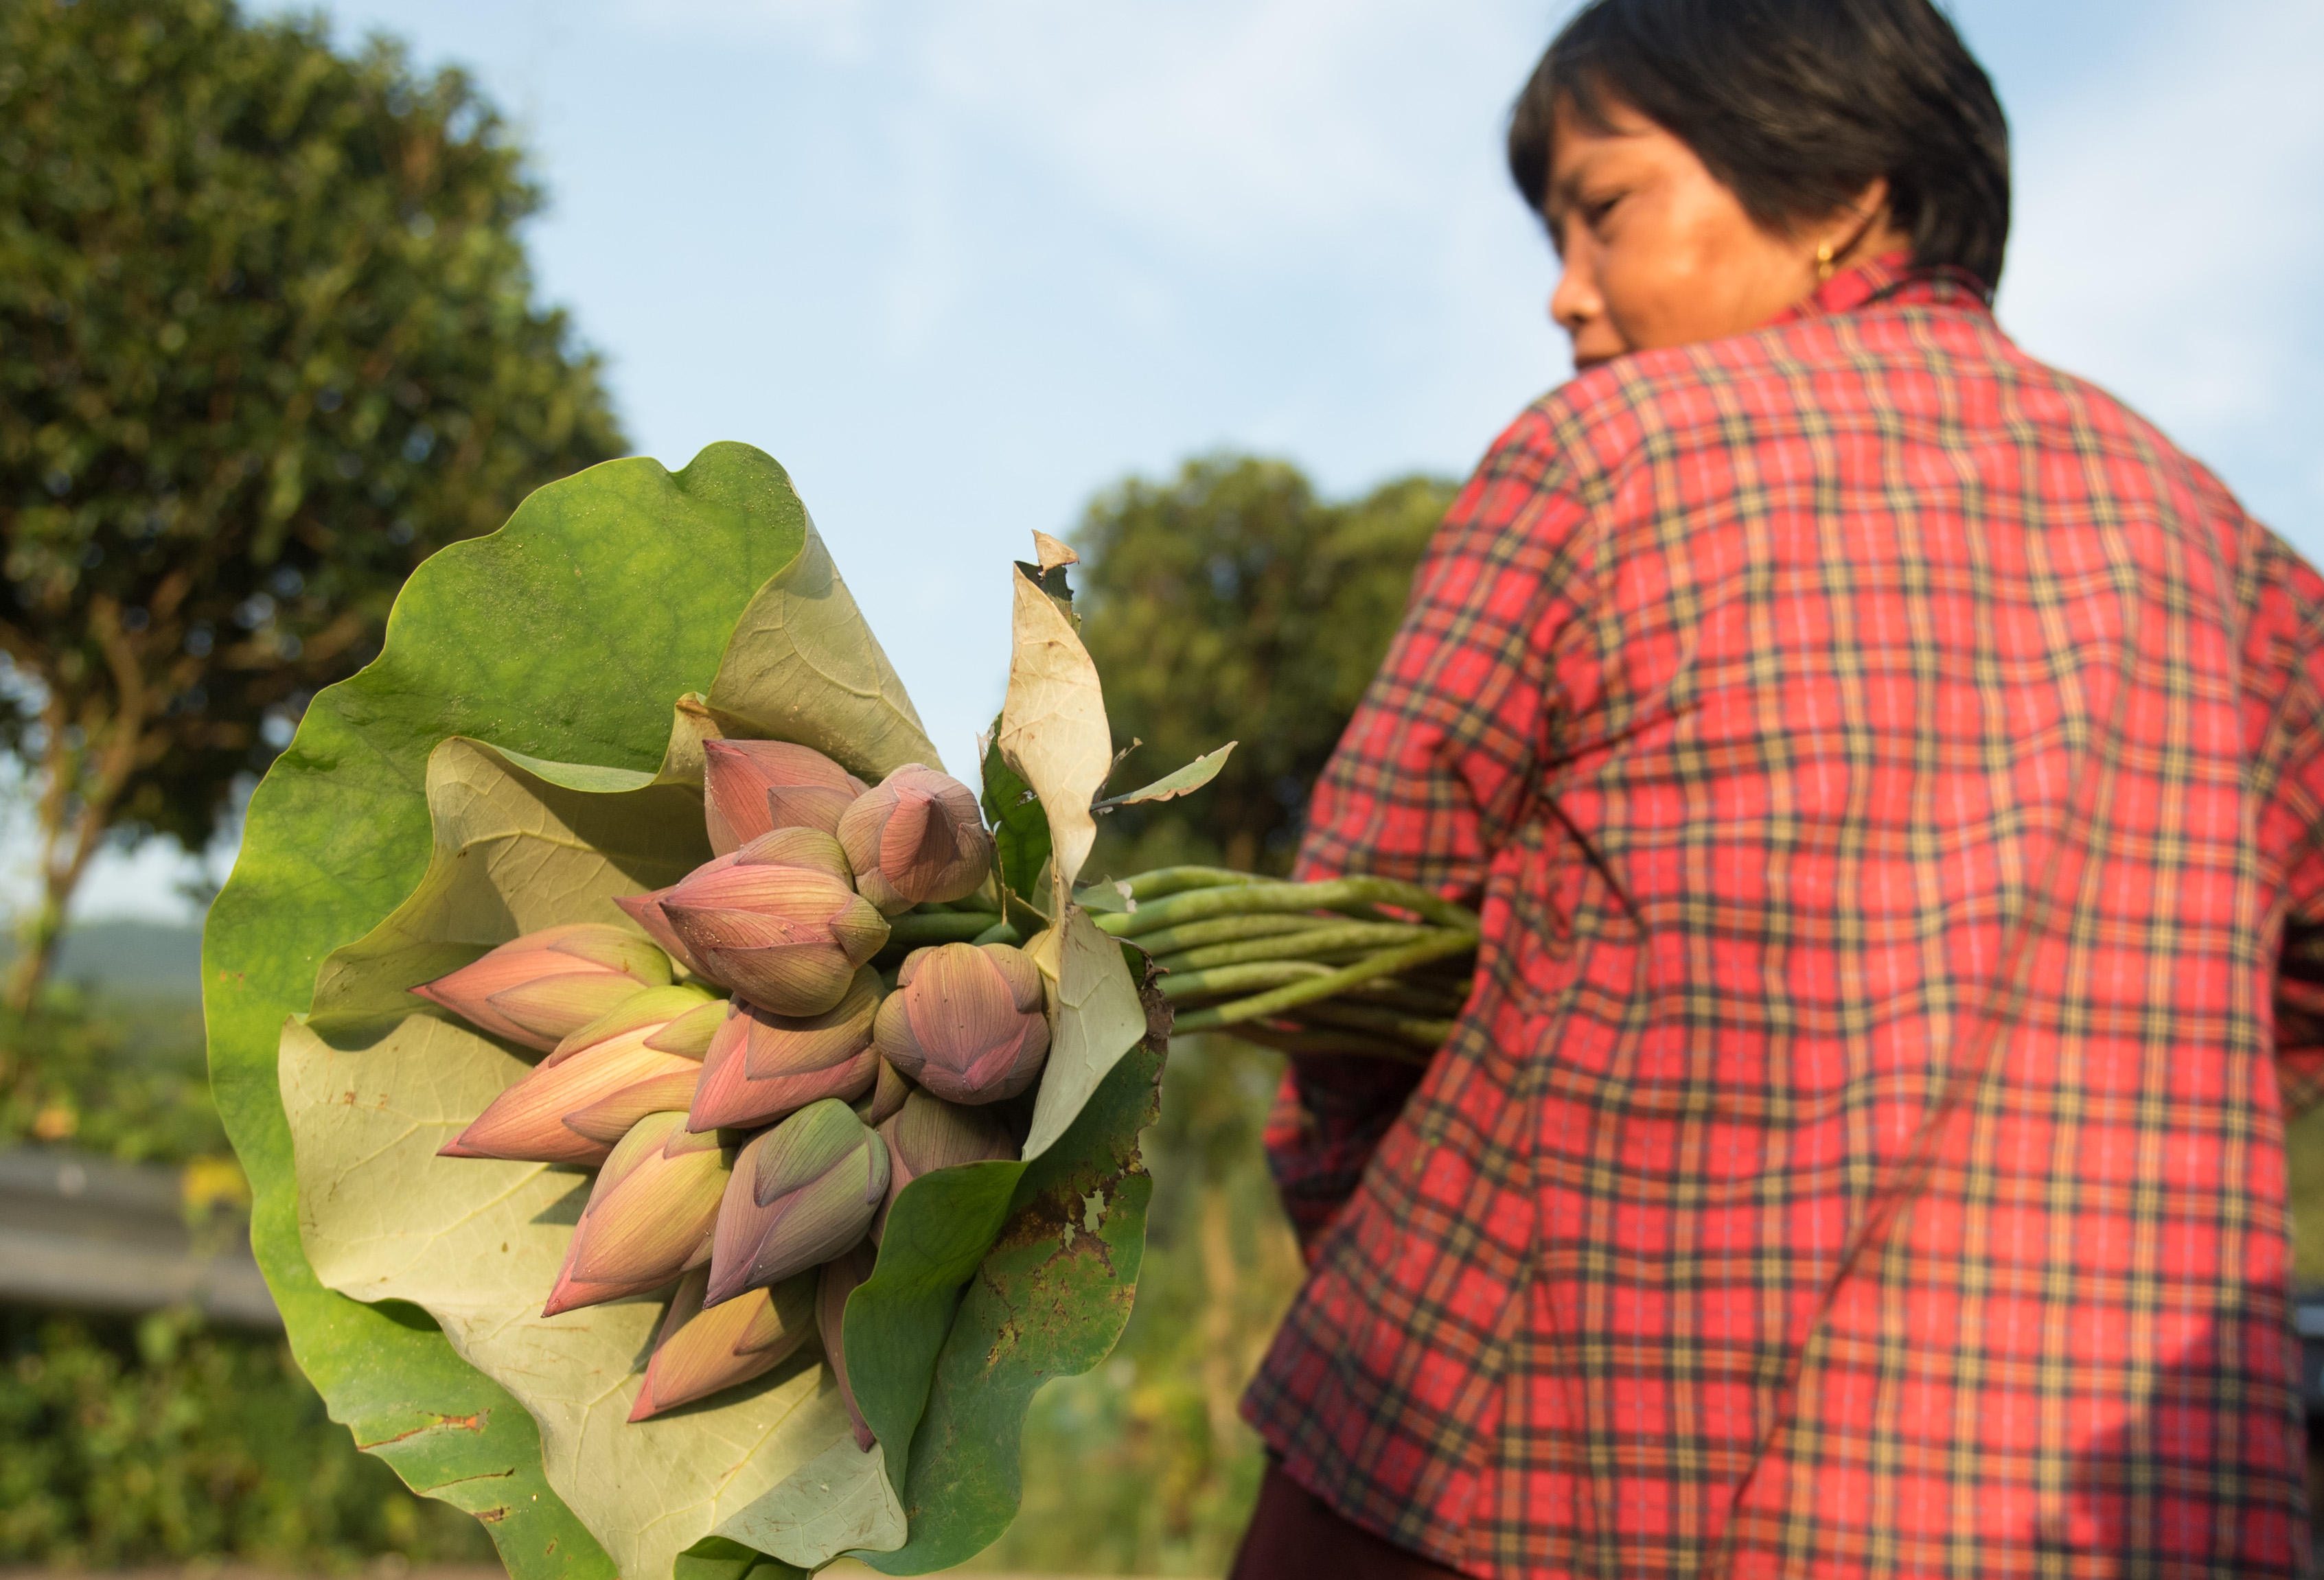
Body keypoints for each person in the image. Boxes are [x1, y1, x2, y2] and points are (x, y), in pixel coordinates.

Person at [1229, 0, 2321, 1575]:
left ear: (1837, 190)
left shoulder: (1601, 460)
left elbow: (1345, 952)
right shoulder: (2236, 567)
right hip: (2087, 1495)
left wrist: (1374, 1236)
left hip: (1536, 1464)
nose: (1565, 294)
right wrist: (2135, 1088)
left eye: (1602, 211)